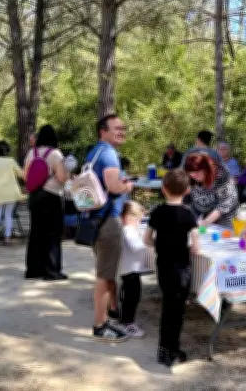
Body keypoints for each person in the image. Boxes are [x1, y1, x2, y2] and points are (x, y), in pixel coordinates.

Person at [143, 169, 200, 367]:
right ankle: (172, 349)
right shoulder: (188, 214)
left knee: (167, 307)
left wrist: (160, 244)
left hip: (163, 266)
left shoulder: (157, 212)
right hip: (181, 269)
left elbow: (147, 239)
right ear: (187, 191)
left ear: (164, 188)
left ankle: (163, 348)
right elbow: (196, 246)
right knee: (177, 311)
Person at [88, 114, 134, 342]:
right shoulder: (109, 154)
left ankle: (107, 316)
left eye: (123, 128)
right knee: (105, 275)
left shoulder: (95, 152)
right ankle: (100, 325)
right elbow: (113, 186)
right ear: (102, 131)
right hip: (108, 220)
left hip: (96, 219)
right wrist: (127, 186)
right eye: (116, 128)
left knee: (105, 273)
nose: (121, 132)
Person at [24, 125, 68, 280]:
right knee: (53, 233)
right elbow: (62, 177)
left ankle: (33, 269)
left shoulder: (32, 152)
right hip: (52, 196)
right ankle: (52, 270)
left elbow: (25, 175)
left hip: (35, 196)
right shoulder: (56, 154)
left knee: (36, 232)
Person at [183, 152, 238, 227]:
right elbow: (186, 200)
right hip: (201, 214)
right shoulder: (190, 176)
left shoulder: (223, 177)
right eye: (191, 175)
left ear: (206, 169)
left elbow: (224, 205)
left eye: (197, 174)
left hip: (225, 220)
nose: (194, 177)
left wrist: (204, 223)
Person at [0, 141, 23, 247]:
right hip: (11, 191)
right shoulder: (11, 161)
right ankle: (7, 238)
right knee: (8, 215)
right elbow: (21, 174)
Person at [119, 201, 148, 339]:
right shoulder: (128, 230)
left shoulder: (125, 228)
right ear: (129, 217)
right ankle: (128, 323)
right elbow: (137, 248)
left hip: (128, 268)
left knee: (129, 295)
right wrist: (147, 243)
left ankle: (126, 320)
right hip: (130, 270)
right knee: (132, 296)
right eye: (138, 220)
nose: (139, 222)